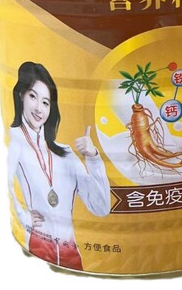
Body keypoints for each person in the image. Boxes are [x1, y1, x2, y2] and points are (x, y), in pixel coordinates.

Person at [6, 61, 111, 270]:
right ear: (21, 95)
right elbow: (1, 179)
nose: (39, 108)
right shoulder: (16, 141)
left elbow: (101, 207)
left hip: (71, 256)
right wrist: (23, 216)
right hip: (38, 250)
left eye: (46, 102)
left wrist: (93, 157)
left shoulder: (65, 154)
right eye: (33, 96)